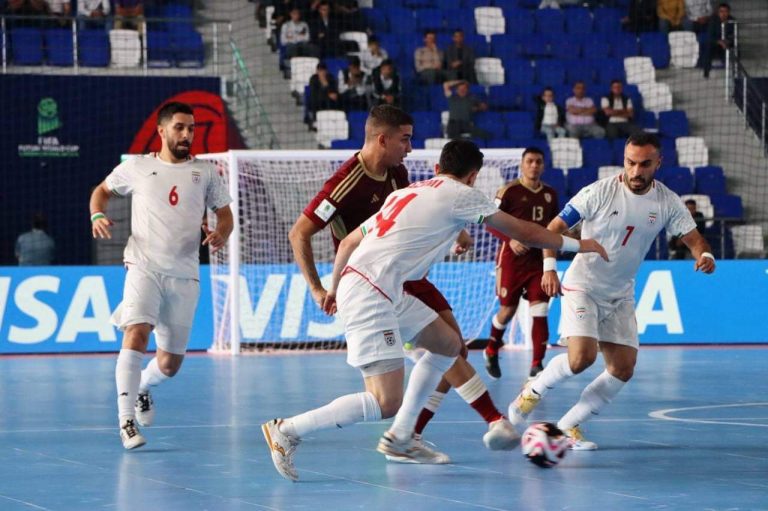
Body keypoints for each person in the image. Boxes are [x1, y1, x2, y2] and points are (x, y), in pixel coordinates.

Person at [265, 139, 607, 481]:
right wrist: (580, 244)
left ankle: (402, 436)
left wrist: (337, 286)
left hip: (380, 288)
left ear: (437, 168)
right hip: (372, 293)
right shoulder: (461, 193)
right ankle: (288, 429)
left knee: (448, 344)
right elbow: (526, 232)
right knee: (385, 401)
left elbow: (351, 240)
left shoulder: (405, 192)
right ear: (472, 177)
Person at [284, 105, 523, 466]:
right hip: (369, 281)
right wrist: (319, 289)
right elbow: (299, 232)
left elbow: (424, 206)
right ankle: (436, 429)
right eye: (405, 139)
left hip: (405, 276)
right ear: (383, 139)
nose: (410, 148)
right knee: (397, 388)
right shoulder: (345, 182)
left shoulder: (398, 172)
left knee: (450, 345)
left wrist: (456, 229)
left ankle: (407, 434)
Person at [507, 131, 715, 450]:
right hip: (583, 285)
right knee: (581, 359)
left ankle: (567, 426)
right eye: (630, 163)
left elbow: (694, 239)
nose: (636, 171)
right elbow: (553, 229)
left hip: (620, 293)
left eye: (644, 164)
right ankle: (533, 390)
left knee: (622, 368)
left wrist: (705, 255)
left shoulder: (668, 201)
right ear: (624, 160)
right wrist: (549, 268)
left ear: (658, 163)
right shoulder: (598, 192)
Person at [90, 102, 233, 450]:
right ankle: (125, 422)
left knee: (170, 364)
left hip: (184, 273)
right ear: (162, 131)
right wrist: (97, 214)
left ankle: (144, 386)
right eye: (180, 128)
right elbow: (102, 190)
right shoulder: (137, 166)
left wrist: (221, 233)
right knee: (137, 332)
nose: (187, 134)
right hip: (143, 264)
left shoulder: (207, 172)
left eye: (192, 128)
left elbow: (225, 215)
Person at [483, 147, 560, 381]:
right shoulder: (508, 191)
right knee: (508, 310)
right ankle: (492, 348)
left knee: (540, 309)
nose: (534, 165)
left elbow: (554, 225)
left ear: (543, 166)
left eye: (538, 161)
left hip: (539, 260)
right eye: (530, 161)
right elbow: (489, 222)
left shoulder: (550, 194)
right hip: (512, 261)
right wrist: (511, 239)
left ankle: (537, 365)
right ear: (522, 164)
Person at [701, 2, 734, 79]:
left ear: (729, 12)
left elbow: (733, 35)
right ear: (718, 12)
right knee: (708, 48)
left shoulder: (732, 21)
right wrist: (720, 42)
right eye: (721, 11)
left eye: (725, 11)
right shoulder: (713, 20)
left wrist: (727, 42)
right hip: (715, 43)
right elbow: (710, 36)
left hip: (727, 43)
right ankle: (706, 72)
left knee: (736, 50)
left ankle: (734, 72)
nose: (723, 14)